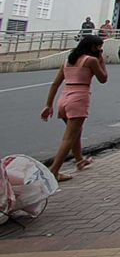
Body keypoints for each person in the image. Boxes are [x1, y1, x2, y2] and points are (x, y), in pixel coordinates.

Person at [40, 35, 108, 182]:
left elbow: (55, 84)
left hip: (64, 98)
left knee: (76, 131)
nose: (100, 49)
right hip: (78, 98)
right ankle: (54, 171)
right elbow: (103, 79)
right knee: (69, 137)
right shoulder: (91, 60)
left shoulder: (68, 61)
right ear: (92, 47)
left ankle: (79, 160)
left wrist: (48, 105)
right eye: (98, 46)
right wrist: (102, 61)